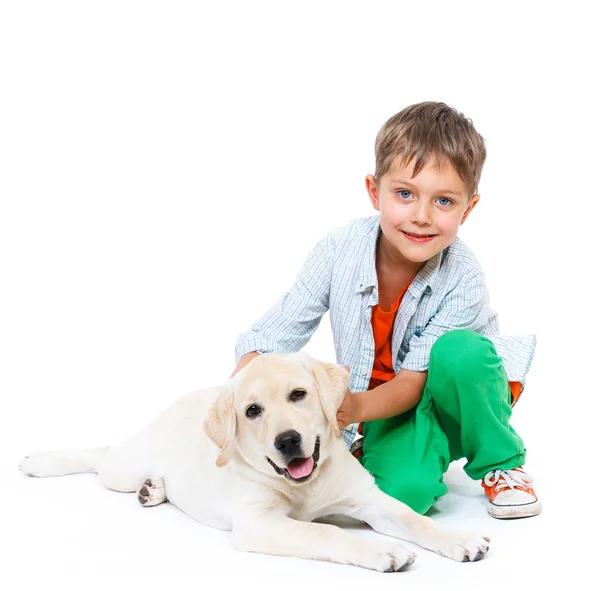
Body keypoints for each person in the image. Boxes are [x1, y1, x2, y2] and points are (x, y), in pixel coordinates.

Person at [231, 101, 540, 519]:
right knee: (400, 498)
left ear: (468, 208)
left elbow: (414, 382)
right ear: (375, 191)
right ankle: (399, 450)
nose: (421, 216)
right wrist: (244, 392)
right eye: (405, 194)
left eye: (444, 201)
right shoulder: (339, 249)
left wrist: (351, 409)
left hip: (458, 395)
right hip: (386, 410)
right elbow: (271, 337)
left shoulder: (463, 277)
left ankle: (501, 462)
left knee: (458, 353)